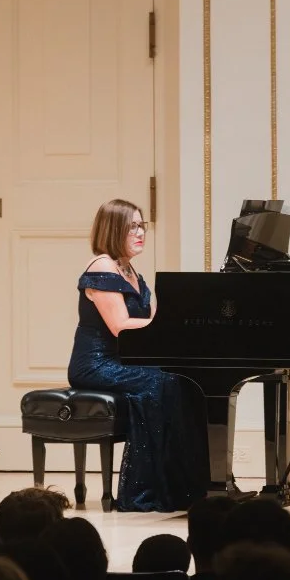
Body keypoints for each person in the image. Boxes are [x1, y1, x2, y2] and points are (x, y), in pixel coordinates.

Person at [67, 199, 208, 512]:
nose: (140, 232)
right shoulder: (102, 266)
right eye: (132, 226)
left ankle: (187, 485)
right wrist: (167, 327)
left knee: (185, 381)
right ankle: (144, 491)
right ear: (113, 228)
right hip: (96, 364)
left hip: (122, 362)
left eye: (142, 225)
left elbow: (158, 318)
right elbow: (120, 326)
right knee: (162, 384)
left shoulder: (132, 272)